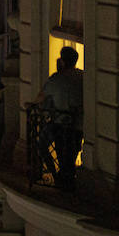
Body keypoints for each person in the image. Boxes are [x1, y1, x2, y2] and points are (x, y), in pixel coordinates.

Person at [37, 45, 83, 188]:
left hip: (59, 125)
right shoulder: (83, 77)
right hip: (78, 125)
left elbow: (39, 98)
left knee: (42, 145)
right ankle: (68, 178)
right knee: (71, 153)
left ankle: (56, 175)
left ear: (62, 61)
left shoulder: (56, 79)